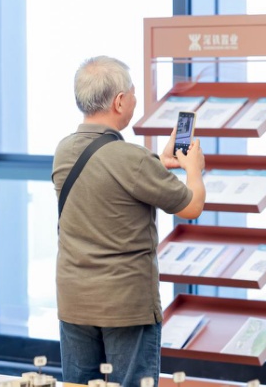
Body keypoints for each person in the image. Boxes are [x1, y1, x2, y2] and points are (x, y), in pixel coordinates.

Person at [52, 56, 206, 387]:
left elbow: (109, 187)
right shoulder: (133, 159)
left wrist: (157, 164)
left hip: (75, 299)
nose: (135, 100)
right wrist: (193, 169)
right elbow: (191, 206)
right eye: (133, 93)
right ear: (120, 101)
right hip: (124, 304)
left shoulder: (64, 150)